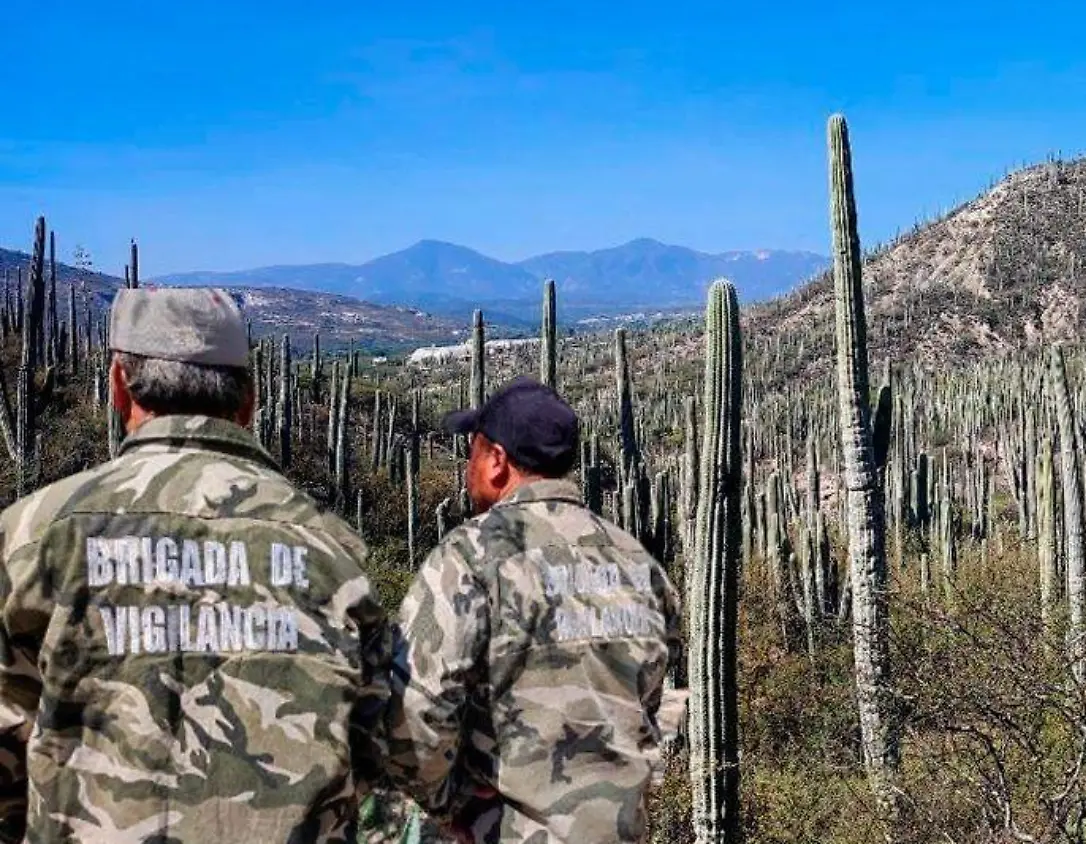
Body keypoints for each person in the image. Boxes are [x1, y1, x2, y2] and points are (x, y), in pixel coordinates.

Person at [0, 287, 391, 842]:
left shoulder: (31, 532)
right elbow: (380, 738)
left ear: (117, 387)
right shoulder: (331, 550)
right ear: (251, 402)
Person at [388, 377, 683, 844]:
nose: (468, 467)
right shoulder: (638, 563)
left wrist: (451, 803)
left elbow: (415, 712)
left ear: (497, 462)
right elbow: (647, 700)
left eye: (473, 451)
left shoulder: (471, 556)